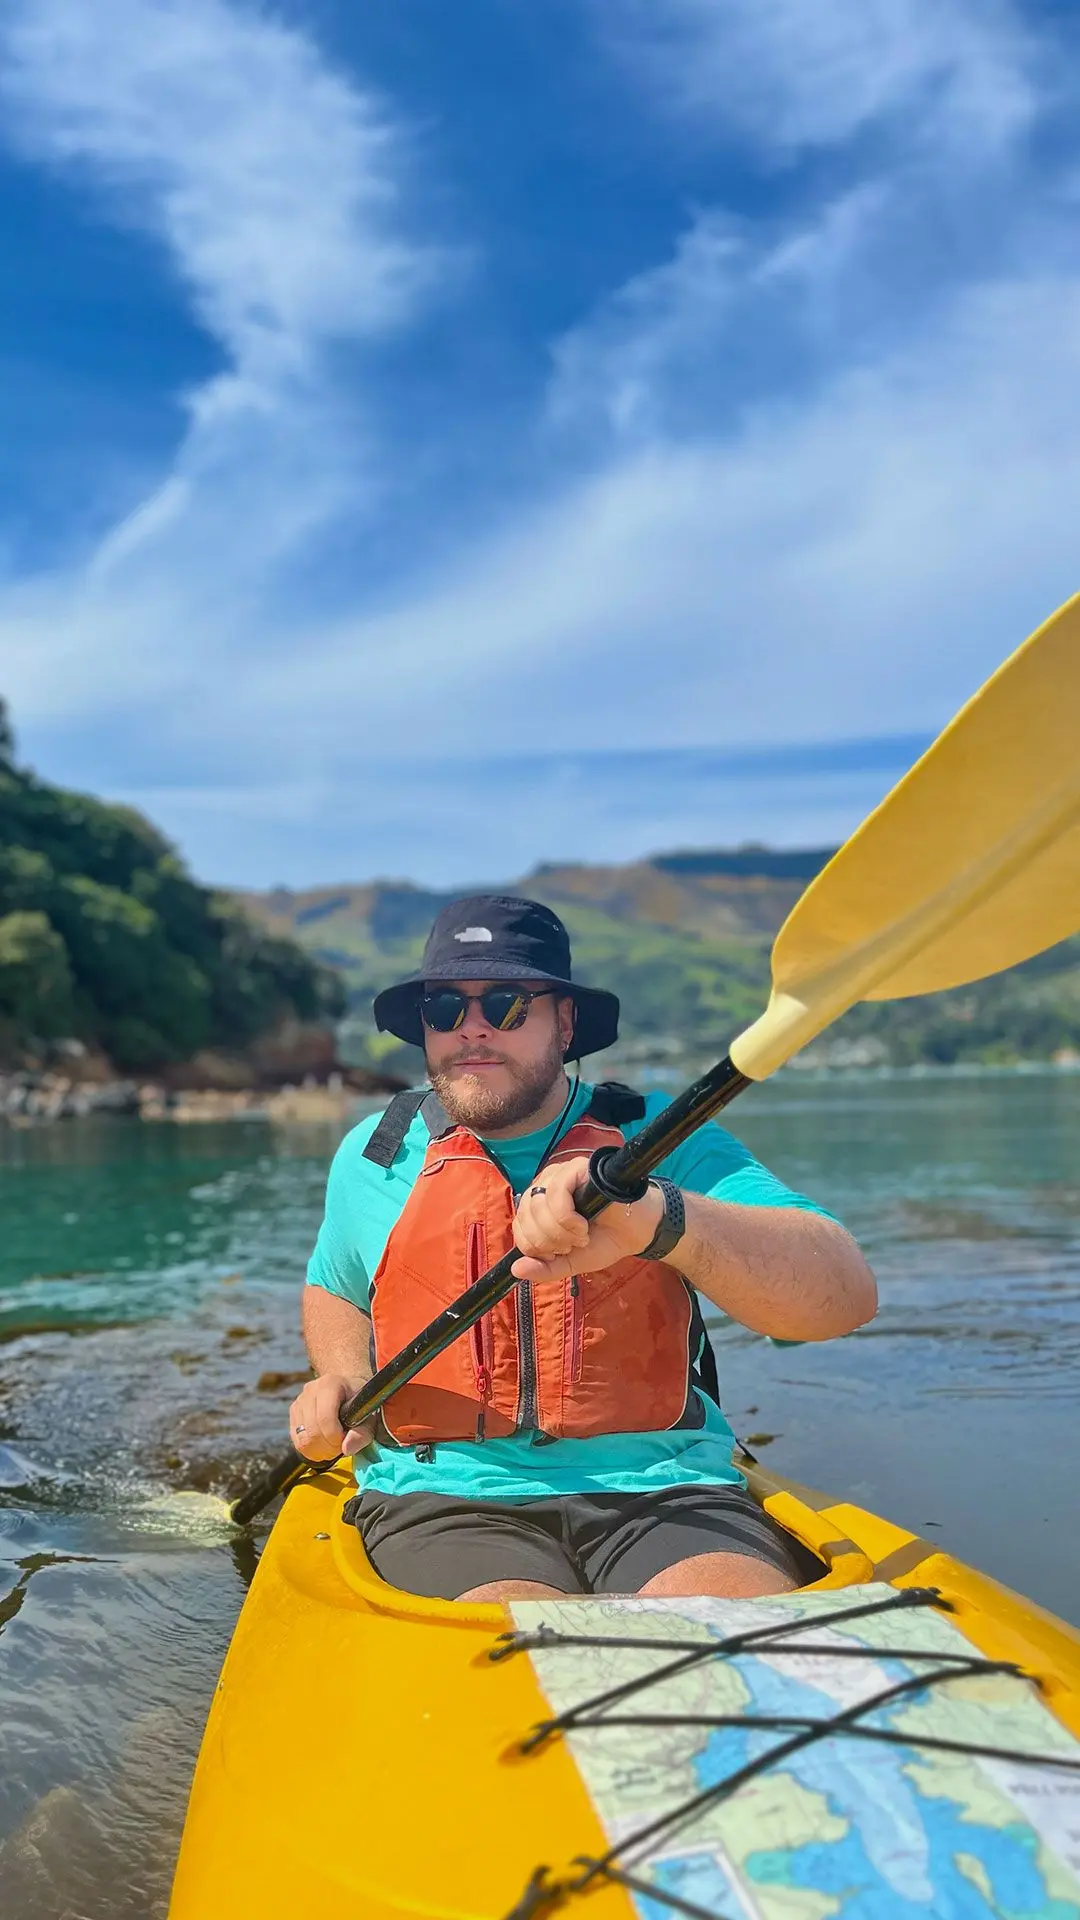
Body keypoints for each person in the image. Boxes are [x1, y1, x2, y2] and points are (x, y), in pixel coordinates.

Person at [293, 895, 876, 1603]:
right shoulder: (377, 1153)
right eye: (444, 1007)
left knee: (731, 1631)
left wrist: (660, 1218)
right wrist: (344, 1376)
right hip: (443, 1494)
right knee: (526, 1645)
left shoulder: (660, 1138)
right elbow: (335, 1287)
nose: (470, 1029)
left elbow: (842, 1299)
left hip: (670, 1489)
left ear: (564, 1023)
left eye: (506, 1005)